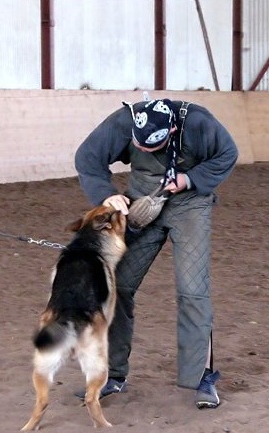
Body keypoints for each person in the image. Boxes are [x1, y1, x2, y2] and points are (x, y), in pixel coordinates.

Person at [74, 98, 238, 408]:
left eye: (154, 146)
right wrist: (108, 195)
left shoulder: (199, 122)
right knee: (117, 286)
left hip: (190, 203)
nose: (145, 151)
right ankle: (113, 375)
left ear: (173, 129)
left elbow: (228, 153)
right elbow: (87, 157)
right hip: (142, 198)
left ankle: (202, 377)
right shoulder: (125, 120)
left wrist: (189, 179)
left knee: (193, 290)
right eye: (141, 147)